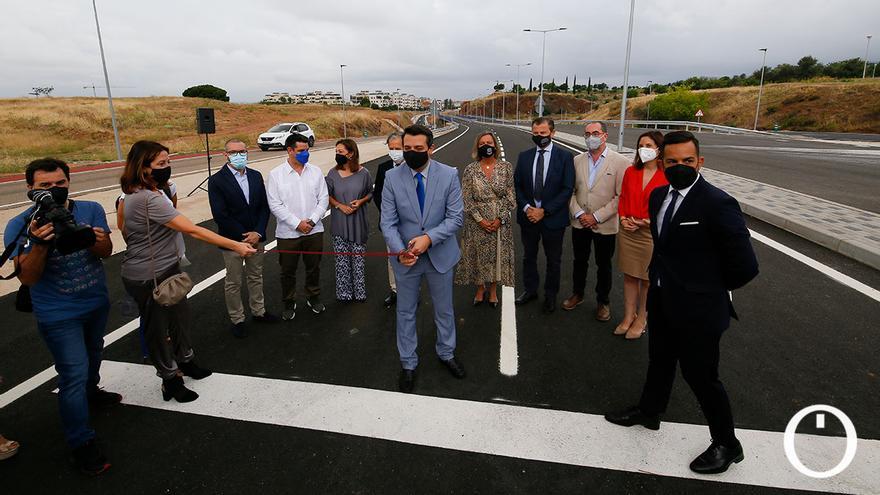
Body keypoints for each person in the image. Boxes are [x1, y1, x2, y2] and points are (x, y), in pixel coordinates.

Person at [604, 131, 759, 475]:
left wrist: (707, 290)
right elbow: (665, 247)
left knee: (702, 376)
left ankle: (727, 443)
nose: (680, 167)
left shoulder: (717, 203)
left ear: (700, 162)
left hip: (701, 310)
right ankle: (649, 410)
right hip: (662, 299)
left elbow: (746, 266)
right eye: (672, 162)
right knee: (660, 360)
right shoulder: (659, 196)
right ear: (662, 163)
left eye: (687, 161)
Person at [4, 158, 120, 474]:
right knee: (73, 373)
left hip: (95, 302)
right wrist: (40, 243)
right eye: (44, 186)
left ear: (69, 182)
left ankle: (92, 392)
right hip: (57, 313)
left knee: (94, 354)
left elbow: (106, 252)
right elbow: (26, 278)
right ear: (30, 189)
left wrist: (97, 239)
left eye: (59, 184)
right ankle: (80, 441)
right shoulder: (19, 225)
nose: (53, 191)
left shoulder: (91, 209)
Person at [120, 141, 256, 404]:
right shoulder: (144, 198)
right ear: (142, 167)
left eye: (168, 162)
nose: (167, 168)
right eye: (161, 164)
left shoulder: (156, 192)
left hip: (168, 269)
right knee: (157, 330)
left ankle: (186, 360)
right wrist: (236, 245)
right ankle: (170, 378)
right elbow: (191, 229)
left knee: (180, 319)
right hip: (148, 275)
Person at [380, 124, 465, 393]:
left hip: (439, 255)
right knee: (405, 312)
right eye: (407, 149)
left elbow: (455, 218)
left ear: (431, 148)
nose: (412, 153)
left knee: (444, 309)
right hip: (407, 259)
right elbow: (388, 223)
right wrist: (399, 250)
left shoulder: (449, 175)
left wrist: (429, 238)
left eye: (418, 149)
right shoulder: (392, 178)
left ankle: (446, 353)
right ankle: (408, 362)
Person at [208, 139, 278, 339]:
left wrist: (258, 232)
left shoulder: (255, 176)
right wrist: (242, 237)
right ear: (226, 155)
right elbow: (220, 214)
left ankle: (259, 311)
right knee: (234, 281)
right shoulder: (216, 181)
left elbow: (264, 207)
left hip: (257, 238)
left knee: (256, 276)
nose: (239, 155)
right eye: (234, 152)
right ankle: (237, 318)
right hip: (232, 241)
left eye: (243, 151)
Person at [562, 122, 630, 321]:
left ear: (605, 136)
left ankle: (603, 302)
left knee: (604, 265)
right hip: (580, 222)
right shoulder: (576, 161)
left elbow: (620, 196)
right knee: (579, 261)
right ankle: (578, 294)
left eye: (595, 133)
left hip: (605, 224)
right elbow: (570, 191)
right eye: (587, 134)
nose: (591, 137)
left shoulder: (620, 162)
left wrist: (596, 217)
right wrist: (579, 213)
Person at [513, 117, 575, 313]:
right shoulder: (524, 156)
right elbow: (517, 186)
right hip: (528, 217)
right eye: (536, 133)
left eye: (543, 133)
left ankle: (550, 295)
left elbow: (567, 189)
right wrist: (527, 208)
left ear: (553, 133)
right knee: (528, 256)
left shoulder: (565, 157)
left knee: (553, 260)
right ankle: (531, 290)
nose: (539, 137)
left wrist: (544, 211)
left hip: (553, 218)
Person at [266, 133, 329, 319]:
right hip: (288, 234)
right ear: (290, 150)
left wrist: (312, 221)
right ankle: (288, 301)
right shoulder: (276, 175)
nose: (305, 154)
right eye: (301, 151)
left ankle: (313, 296)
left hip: (314, 231)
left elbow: (323, 198)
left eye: (307, 150)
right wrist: (297, 224)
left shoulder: (316, 171)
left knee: (313, 267)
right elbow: (275, 204)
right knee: (287, 271)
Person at [614, 131, 667, 339]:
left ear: (659, 149)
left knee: (647, 279)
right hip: (628, 231)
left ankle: (642, 318)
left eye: (648, 145)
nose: (643, 149)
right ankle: (628, 316)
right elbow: (623, 198)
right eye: (640, 145)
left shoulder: (667, 175)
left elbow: (668, 207)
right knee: (629, 276)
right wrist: (623, 218)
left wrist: (647, 222)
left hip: (650, 234)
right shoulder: (630, 171)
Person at [454, 131, 515, 308]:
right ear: (477, 147)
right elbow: (466, 198)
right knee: (477, 257)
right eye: (482, 144)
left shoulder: (506, 168)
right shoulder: (470, 170)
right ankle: (480, 289)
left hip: (499, 221)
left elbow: (510, 197)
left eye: (489, 143)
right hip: (476, 222)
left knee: (497, 256)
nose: (486, 146)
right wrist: (480, 220)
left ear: (495, 146)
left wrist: (499, 219)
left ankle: (494, 290)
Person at [326, 138, 373, 302]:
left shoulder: (364, 173)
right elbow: (327, 196)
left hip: (358, 223)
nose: (337, 155)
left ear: (351, 153)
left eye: (341, 152)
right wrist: (339, 206)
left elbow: (370, 193)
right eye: (336, 152)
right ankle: (344, 294)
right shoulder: (332, 173)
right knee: (341, 262)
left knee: (358, 261)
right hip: (339, 223)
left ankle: (359, 292)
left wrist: (360, 202)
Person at [373, 132, 405, 307]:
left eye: (397, 148)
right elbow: (377, 194)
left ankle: (410, 292)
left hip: (410, 225)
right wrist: (389, 215)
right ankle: (394, 291)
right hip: (390, 224)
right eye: (391, 148)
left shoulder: (414, 167)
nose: (394, 152)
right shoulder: (383, 167)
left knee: (410, 259)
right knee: (393, 260)